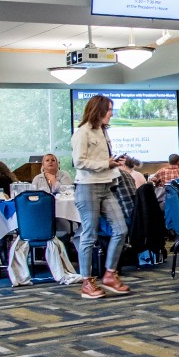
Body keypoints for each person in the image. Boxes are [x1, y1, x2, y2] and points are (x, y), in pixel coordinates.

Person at [71, 94, 130, 299]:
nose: (111, 114)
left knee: (121, 229)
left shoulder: (102, 131)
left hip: (106, 185)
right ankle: (87, 281)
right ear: (99, 110)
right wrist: (107, 163)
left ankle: (110, 274)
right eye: (109, 110)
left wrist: (112, 162)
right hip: (87, 187)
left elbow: (101, 160)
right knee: (89, 234)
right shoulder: (83, 133)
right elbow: (78, 162)